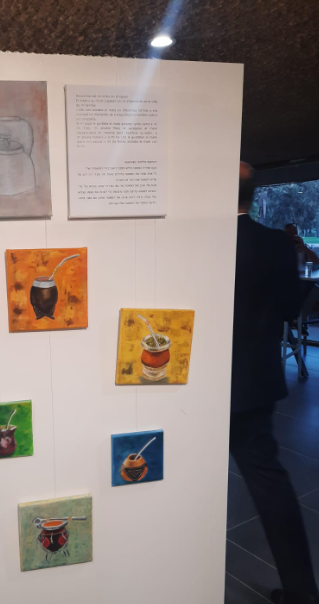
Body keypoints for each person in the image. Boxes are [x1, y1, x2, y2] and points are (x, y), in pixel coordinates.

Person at [230, 162, 319, 604]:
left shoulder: (195, 241)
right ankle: (303, 592)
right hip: (254, 381)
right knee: (270, 484)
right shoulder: (277, 244)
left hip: (189, 382)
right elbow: (288, 310)